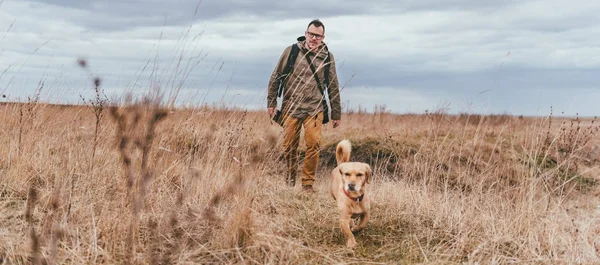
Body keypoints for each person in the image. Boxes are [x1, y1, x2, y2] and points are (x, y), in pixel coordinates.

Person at [267, 19, 342, 192]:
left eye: (318, 35)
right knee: (289, 146)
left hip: (314, 109)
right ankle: (290, 180)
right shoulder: (292, 51)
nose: (314, 38)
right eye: (311, 34)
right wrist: (271, 102)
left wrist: (336, 113)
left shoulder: (327, 57)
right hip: (291, 108)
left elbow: (333, 86)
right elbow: (276, 76)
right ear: (306, 33)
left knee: (314, 145)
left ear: (323, 37)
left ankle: (307, 185)